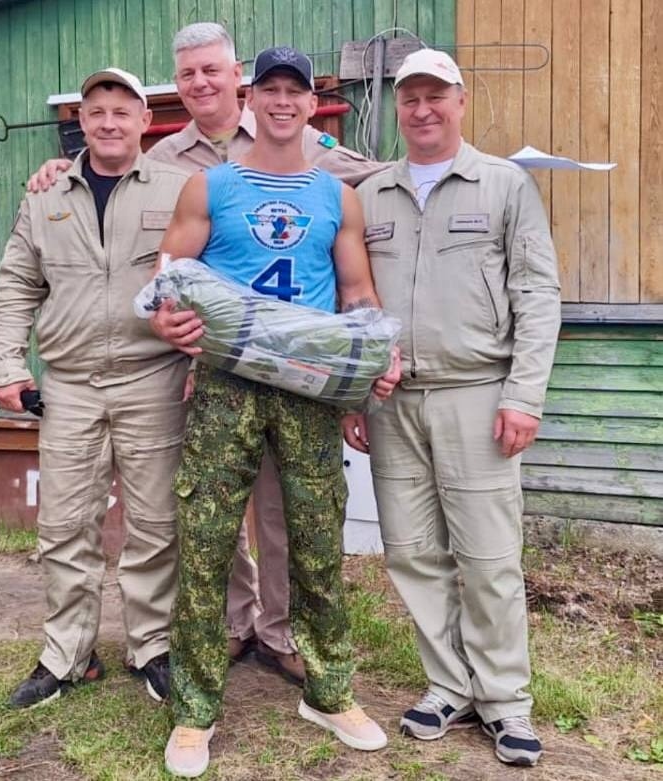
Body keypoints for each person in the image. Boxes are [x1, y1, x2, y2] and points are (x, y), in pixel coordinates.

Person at [27, 21, 389, 686]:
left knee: (282, 510)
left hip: (297, 370)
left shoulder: (306, 145)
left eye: (211, 70)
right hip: (212, 369)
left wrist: (370, 353)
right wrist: (59, 168)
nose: (200, 83)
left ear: (236, 79)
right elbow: (151, 239)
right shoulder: (168, 160)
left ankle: (279, 631)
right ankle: (229, 623)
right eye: (187, 73)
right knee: (213, 507)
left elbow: (377, 190)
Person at [149, 46, 399, 778]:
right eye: (271, 89)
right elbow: (169, 276)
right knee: (205, 539)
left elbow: (357, 294)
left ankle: (328, 691)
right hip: (226, 381)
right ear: (250, 100)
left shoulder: (336, 196)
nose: (283, 101)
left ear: (311, 105)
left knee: (317, 537)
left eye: (296, 91)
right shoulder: (210, 186)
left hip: (308, 385)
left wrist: (376, 356)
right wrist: (166, 320)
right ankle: (194, 707)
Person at [349, 49, 561, 767]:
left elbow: (537, 295)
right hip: (392, 402)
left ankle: (504, 700)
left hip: (478, 394)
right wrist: (354, 391)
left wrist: (523, 395)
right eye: (409, 97)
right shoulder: (371, 194)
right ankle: (448, 685)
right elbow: (354, 301)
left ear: (460, 102)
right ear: (398, 106)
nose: (422, 110)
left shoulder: (503, 185)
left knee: (489, 556)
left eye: (435, 96)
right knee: (412, 552)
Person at [0, 68, 190, 708]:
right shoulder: (46, 196)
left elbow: (205, 278)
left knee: (155, 523)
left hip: (153, 378)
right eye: (96, 111)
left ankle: (151, 647)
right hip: (71, 384)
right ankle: (67, 655)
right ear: (80, 122)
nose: (108, 123)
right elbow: (17, 284)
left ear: (143, 121)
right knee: (65, 523)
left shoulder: (180, 189)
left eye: (122, 111)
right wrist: (8, 367)